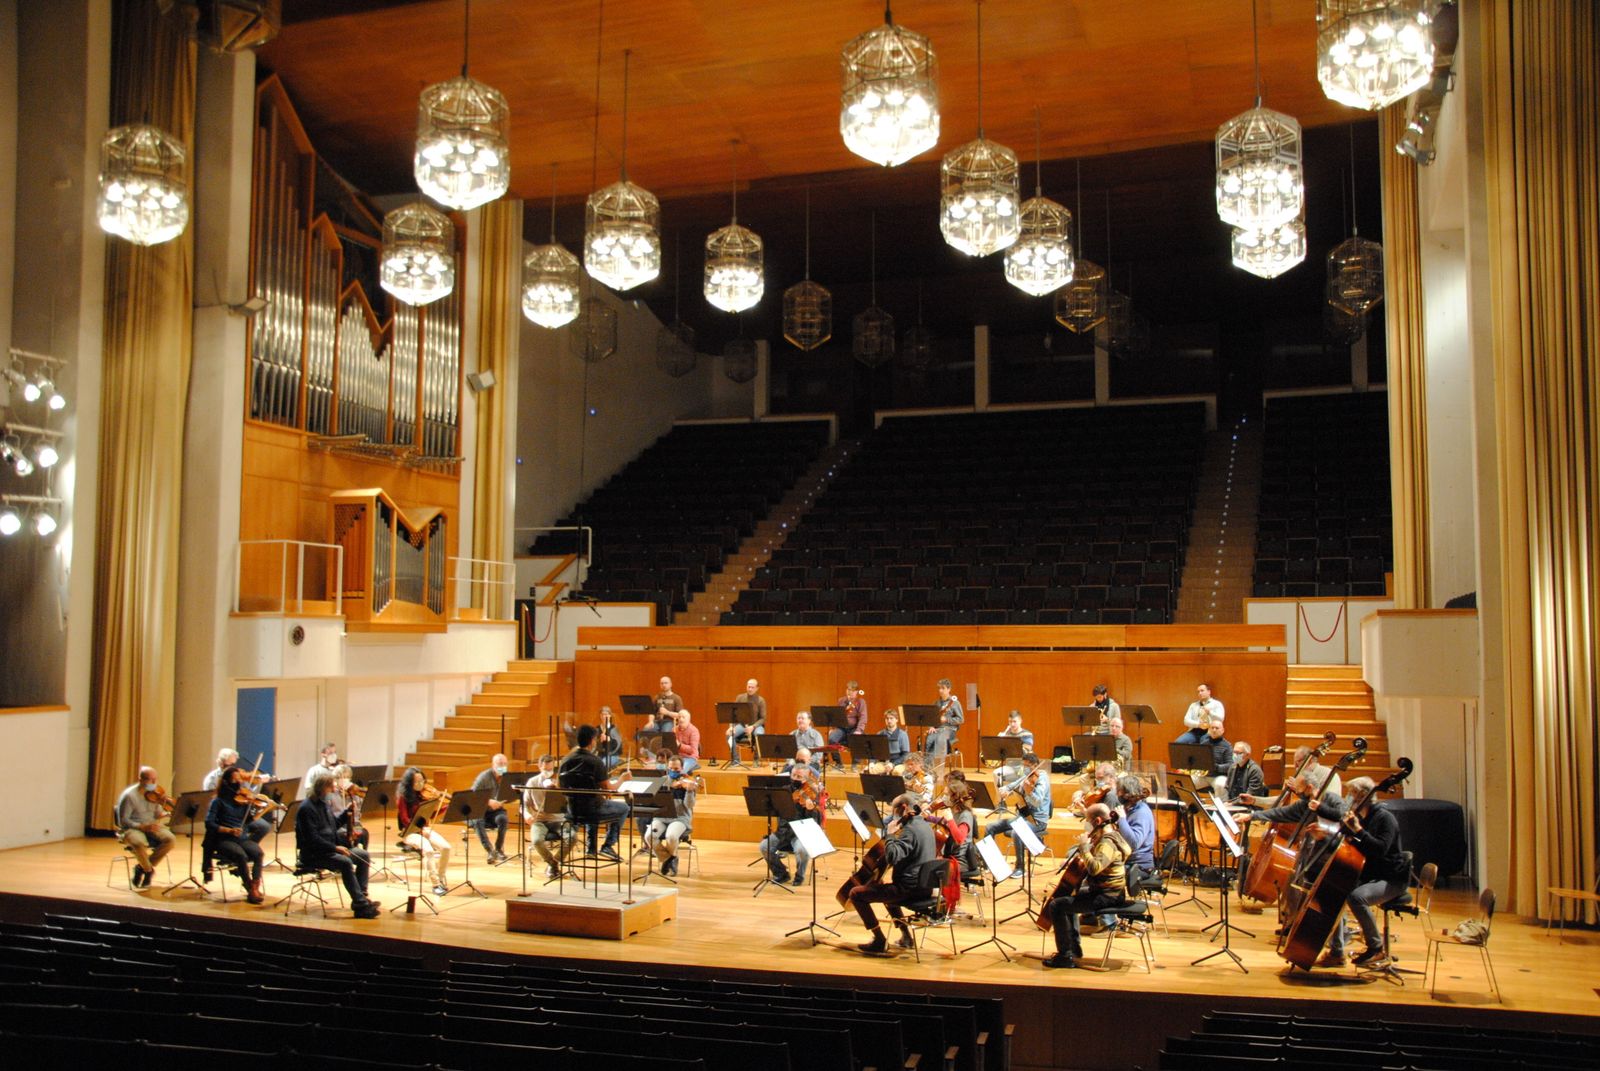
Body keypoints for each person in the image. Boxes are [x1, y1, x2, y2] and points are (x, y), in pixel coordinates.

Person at [1326, 777, 1411, 967]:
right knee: (1336, 891)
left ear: (1364, 795)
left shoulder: (1385, 818)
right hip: (1370, 874)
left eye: (1352, 793)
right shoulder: (1362, 818)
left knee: (1357, 898)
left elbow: (1380, 849)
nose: (1349, 797)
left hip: (1391, 878)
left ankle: (1376, 947)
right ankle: (1336, 951)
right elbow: (1354, 843)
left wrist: (1358, 830)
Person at [1041, 803, 1131, 969]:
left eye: (1088, 820)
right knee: (1067, 897)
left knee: (1056, 905)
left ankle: (1065, 956)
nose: (1086, 824)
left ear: (1097, 821)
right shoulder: (1114, 834)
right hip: (1111, 891)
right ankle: (1073, 949)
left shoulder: (1107, 843)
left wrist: (1084, 848)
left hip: (1108, 895)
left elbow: (1095, 868)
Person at [849, 792, 939, 954]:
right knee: (882, 887)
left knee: (856, 894)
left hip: (909, 890)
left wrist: (890, 834)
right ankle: (906, 936)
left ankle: (879, 940)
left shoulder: (910, 830)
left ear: (903, 808)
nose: (893, 816)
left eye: (893, 811)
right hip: (925, 887)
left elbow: (893, 856)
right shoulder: (925, 826)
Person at [297, 770, 380, 918]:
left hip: (329, 850)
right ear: (323, 788)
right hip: (314, 854)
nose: (334, 790)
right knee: (345, 862)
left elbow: (333, 825)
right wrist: (336, 848)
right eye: (331, 787)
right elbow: (312, 839)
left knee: (363, 855)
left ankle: (361, 898)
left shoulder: (324, 804)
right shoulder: (306, 809)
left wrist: (346, 813)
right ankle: (361, 905)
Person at [560, 724, 628, 859]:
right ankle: (608, 845)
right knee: (624, 808)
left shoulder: (566, 760)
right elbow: (608, 790)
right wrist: (622, 779)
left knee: (591, 802)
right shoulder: (595, 761)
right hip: (592, 810)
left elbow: (559, 785)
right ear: (592, 741)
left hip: (572, 810)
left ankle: (591, 849)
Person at [205, 766, 266, 904]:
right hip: (224, 839)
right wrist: (228, 830)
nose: (239, 782)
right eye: (235, 779)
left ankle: (255, 886)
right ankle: (249, 886)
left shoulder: (242, 800)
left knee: (258, 853)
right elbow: (209, 823)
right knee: (241, 855)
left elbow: (248, 820)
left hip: (241, 838)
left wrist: (260, 809)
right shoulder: (217, 801)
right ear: (226, 782)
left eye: (240, 779)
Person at [989, 752, 1051, 879]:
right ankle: (990, 863)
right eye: (1024, 766)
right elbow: (1012, 786)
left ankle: (1020, 868)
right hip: (1023, 817)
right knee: (991, 826)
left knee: (1017, 832)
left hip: (1037, 821)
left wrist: (1029, 792)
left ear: (1035, 765)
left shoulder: (1042, 779)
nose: (1025, 769)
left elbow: (1037, 801)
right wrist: (1005, 790)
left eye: (1027, 766)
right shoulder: (1026, 776)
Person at [760, 763, 823, 886]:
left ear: (806, 778)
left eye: (799, 777)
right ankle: (781, 874)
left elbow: (816, 822)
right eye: (793, 775)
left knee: (801, 850)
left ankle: (799, 876)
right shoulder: (784, 790)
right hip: (783, 832)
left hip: (800, 834)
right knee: (764, 847)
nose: (795, 779)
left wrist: (810, 810)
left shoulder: (812, 793)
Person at [114, 766, 175, 888]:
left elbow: (157, 814)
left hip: (151, 825)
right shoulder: (130, 796)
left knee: (170, 840)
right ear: (140, 779)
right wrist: (142, 827)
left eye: (155, 779)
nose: (154, 782)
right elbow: (124, 820)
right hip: (132, 828)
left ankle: (141, 868)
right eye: (149, 779)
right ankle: (148, 871)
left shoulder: (155, 795)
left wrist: (167, 812)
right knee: (138, 842)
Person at [397, 766, 452, 896]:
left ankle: (440, 878)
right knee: (428, 850)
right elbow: (405, 819)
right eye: (416, 781)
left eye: (422, 781)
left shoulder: (424, 796)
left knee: (446, 847)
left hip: (425, 829)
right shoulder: (403, 798)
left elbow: (430, 815)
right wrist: (420, 830)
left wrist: (445, 806)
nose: (420, 784)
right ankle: (435, 884)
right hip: (410, 832)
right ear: (409, 783)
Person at [521, 754, 575, 879]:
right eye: (545, 769)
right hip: (539, 820)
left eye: (551, 769)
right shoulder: (532, 782)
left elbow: (569, 803)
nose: (548, 772)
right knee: (536, 841)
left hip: (559, 819)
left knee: (572, 837)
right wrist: (527, 815)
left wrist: (558, 791)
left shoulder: (559, 781)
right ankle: (552, 863)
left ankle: (554, 862)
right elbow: (524, 805)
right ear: (539, 767)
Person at [645, 756, 699, 877]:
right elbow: (654, 800)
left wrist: (689, 791)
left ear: (682, 768)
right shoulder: (662, 781)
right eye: (671, 768)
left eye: (676, 769)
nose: (673, 771)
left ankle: (669, 861)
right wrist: (671, 785)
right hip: (661, 817)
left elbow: (689, 805)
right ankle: (669, 859)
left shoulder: (688, 782)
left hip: (680, 818)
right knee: (649, 836)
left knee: (672, 836)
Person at [1113, 774, 1155, 887]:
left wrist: (1122, 819)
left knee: (1102, 873)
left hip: (1138, 866)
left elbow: (1134, 843)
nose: (1117, 795)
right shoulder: (1130, 808)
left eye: (1119, 791)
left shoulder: (1141, 813)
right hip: (1128, 861)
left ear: (1128, 794)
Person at [469, 754, 512, 864]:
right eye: (500, 764)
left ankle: (498, 849)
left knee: (503, 819)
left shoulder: (506, 778)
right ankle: (490, 850)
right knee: (477, 821)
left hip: (495, 811)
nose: (502, 766)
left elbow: (509, 795)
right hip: (479, 810)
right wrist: (488, 801)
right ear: (493, 765)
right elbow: (472, 795)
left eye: (504, 764)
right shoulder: (484, 777)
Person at [827, 680, 868, 767]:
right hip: (842, 728)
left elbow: (863, 717)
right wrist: (833, 728)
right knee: (832, 738)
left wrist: (859, 730)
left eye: (853, 690)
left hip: (854, 728)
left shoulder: (861, 701)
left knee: (857, 738)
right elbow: (837, 716)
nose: (850, 692)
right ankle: (838, 763)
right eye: (848, 690)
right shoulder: (841, 701)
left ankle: (855, 764)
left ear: (857, 692)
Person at [923, 678, 964, 763]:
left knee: (940, 738)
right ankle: (928, 766)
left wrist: (946, 719)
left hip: (949, 730)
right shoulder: (936, 703)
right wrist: (931, 727)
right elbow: (930, 718)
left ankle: (938, 765)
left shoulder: (955, 703)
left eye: (943, 688)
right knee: (929, 739)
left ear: (949, 689)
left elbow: (961, 719)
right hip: (937, 729)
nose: (940, 690)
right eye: (939, 688)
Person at [726, 678, 768, 759]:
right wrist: (731, 727)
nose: (750, 689)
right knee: (729, 735)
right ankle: (735, 759)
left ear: (757, 688)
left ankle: (756, 759)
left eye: (752, 687)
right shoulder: (740, 698)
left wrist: (753, 727)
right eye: (749, 687)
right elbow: (733, 714)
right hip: (742, 725)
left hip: (756, 725)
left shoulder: (761, 700)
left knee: (759, 735)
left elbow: (763, 718)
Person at [992, 709, 1035, 789]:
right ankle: (1001, 796)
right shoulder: (1007, 735)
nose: (1012, 724)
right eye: (1010, 722)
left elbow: (1026, 752)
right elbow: (1001, 752)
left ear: (1020, 721)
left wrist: (1010, 743)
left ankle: (1012, 790)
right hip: (1011, 766)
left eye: (1015, 721)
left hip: (1023, 766)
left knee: (1021, 778)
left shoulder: (1027, 734)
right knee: (996, 773)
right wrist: (999, 741)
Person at [331, 764, 370, 851]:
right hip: (340, 827)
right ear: (335, 780)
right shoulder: (332, 794)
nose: (345, 780)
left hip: (355, 825)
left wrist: (357, 793)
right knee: (344, 835)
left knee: (364, 833)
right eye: (342, 777)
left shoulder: (354, 793)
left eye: (347, 777)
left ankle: (361, 853)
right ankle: (350, 852)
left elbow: (360, 810)